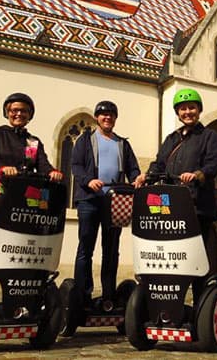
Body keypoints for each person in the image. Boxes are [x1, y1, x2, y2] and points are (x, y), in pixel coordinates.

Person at [0, 92, 63, 318]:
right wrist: (2, 168)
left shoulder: (33, 142)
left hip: (22, 203)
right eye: (14, 110)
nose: (18, 114)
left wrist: (52, 172)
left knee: (18, 250)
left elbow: (43, 164)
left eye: (23, 110)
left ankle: (15, 303)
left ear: (29, 114)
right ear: (7, 112)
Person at [134, 88, 217, 301]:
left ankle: (202, 302)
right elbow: (159, 163)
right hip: (171, 208)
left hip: (198, 208)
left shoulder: (209, 136)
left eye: (192, 107)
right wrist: (146, 176)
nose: (187, 112)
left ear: (199, 110)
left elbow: (214, 162)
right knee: (173, 257)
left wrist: (197, 174)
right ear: (177, 113)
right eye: (183, 109)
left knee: (198, 259)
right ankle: (170, 303)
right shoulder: (172, 138)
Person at [71, 100, 141, 311]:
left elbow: (133, 168)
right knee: (86, 249)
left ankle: (108, 296)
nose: (107, 117)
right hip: (89, 200)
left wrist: (137, 178)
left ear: (115, 118)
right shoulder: (85, 140)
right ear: (97, 118)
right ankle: (83, 296)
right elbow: (76, 166)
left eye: (111, 114)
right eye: (103, 114)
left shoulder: (122, 143)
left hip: (115, 202)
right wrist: (88, 180)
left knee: (111, 251)